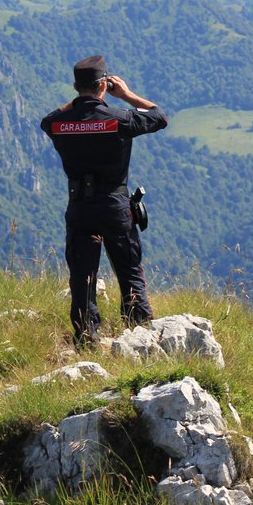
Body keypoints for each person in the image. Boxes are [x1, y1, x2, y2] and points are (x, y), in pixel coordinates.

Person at [40, 55, 168, 348]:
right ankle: (138, 333)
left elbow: (46, 120)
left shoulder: (59, 123)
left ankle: (86, 337)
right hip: (115, 206)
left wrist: (77, 102)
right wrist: (126, 94)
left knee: (82, 276)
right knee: (129, 269)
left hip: (80, 208)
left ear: (76, 86)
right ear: (104, 85)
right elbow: (159, 116)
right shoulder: (120, 119)